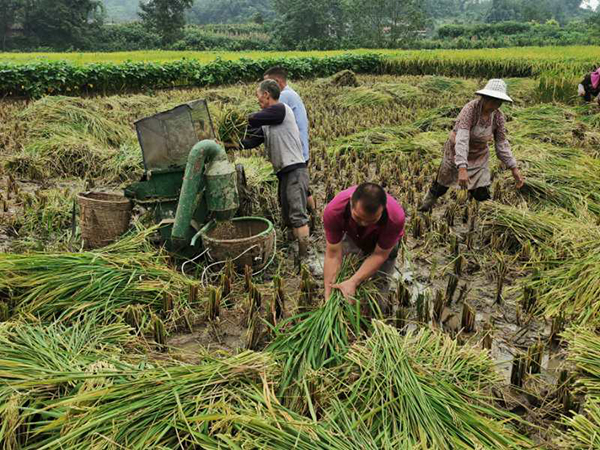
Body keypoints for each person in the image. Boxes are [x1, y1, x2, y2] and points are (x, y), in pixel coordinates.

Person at [419, 79, 524, 212]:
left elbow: (502, 143)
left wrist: (513, 167)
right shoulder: (470, 110)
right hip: (457, 152)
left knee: (481, 191)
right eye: (492, 100)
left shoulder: (498, 117)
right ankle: (424, 207)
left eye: (498, 102)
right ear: (484, 98)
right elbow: (462, 139)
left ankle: (488, 215)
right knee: (442, 184)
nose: (494, 105)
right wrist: (462, 167)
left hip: (479, 155)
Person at [237, 79, 311, 258]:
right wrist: (230, 143)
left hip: (295, 170)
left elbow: (252, 120)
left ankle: (304, 257)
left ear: (266, 95)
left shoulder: (281, 109)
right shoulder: (268, 122)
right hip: (284, 173)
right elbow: (250, 142)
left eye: (258, 96)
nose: (257, 100)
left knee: (297, 215)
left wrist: (236, 120)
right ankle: (292, 249)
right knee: (286, 214)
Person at [323, 183, 405, 312]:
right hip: (353, 235)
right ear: (351, 203)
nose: (364, 224)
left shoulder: (395, 218)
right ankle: (343, 310)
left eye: (371, 221)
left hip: (383, 244)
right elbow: (333, 254)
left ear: (383, 210)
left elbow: (380, 255)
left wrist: (354, 281)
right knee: (345, 273)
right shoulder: (334, 211)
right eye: (358, 217)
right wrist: (328, 292)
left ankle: (374, 317)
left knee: (380, 282)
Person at [263, 66, 316, 213]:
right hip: (300, 150)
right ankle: (314, 215)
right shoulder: (291, 93)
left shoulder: (283, 97)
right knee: (304, 188)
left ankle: (306, 221)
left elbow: (265, 116)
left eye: (268, 84)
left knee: (294, 196)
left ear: (278, 82)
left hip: (293, 153)